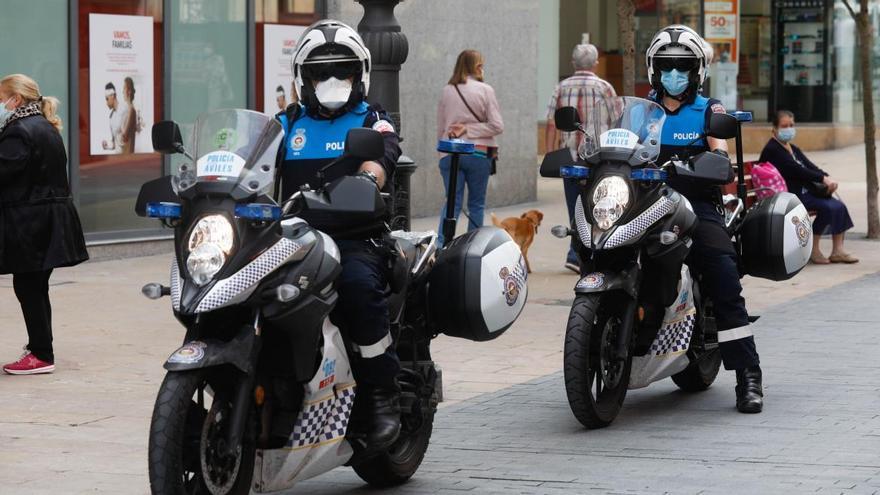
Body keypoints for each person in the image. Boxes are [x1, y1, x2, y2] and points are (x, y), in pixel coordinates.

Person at [277, 20, 402, 448]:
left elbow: (385, 149)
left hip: (353, 235)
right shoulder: (287, 121)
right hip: (292, 237)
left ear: (359, 74)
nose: (331, 80)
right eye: (320, 72)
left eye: (342, 71)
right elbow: (250, 155)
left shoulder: (370, 117)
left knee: (358, 288)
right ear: (303, 78)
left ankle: (383, 396)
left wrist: (370, 177)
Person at [646, 25, 764, 413]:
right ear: (654, 70)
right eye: (666, 67)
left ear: (697, 72)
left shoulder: (708, 109)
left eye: (683, 67)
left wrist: (716, 161)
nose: (674, 75)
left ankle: (748, 375)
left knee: (722, 271)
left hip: (696, 204)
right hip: (645, 203)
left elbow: (721, 150)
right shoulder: (641, 110)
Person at [0, 73, 89, 375]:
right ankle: (40, 349)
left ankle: (41, 353)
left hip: (32, 223)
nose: (0, 104)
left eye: (1, 98)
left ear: (16, 99)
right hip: (47, 221)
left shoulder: (19, 132)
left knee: (29, 286)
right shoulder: (45, 127)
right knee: (35, 286)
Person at [545, 43, 617, 273]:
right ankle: (590, 252)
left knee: (574, 205)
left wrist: (550, 152)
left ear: (573, 63)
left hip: (570, 157)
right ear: (595, 64)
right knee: (597, 204)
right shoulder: (604, 87)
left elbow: (550, 123)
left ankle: (576, 253)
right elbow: (617, 121)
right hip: (598, 158)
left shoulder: (561, 87)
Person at [759, 110, 857, 264]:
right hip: (788, 196)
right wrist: (822, 179)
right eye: (784, 126)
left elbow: (810, 166)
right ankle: (813, 250)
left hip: (805, 193)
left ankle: (838, 251)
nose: (789, 129)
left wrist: (827, 178)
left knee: (838, 206)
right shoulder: (773, 149)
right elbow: (796, 170)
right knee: (828, 208)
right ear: (775, 129)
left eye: (791, 125)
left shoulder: (792, 148)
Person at [435, 49, 503, 245]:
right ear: (476, 66)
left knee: (452, 203)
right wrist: (469, 129)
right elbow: (497, 126)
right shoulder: (485, 90)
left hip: (450, 153)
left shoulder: (447, 90)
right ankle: (473, 246)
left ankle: (442, 245)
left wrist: (441, 154)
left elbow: (440, 127)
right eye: (481, 64)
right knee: (476, 204)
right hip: (479, 153)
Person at [101, 82, 130, 153]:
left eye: (107, 99)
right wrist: (107, 146)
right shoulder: (111, 117)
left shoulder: (125, 108)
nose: (106, 103)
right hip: (117, 158)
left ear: (112, 96)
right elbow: (114, 144)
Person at [121, 77, 139, 154]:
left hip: (127, 153)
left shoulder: (132, 111)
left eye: (124, 88)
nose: (122, 91)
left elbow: (124, 137)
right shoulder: (128, 110)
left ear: (129, 91)